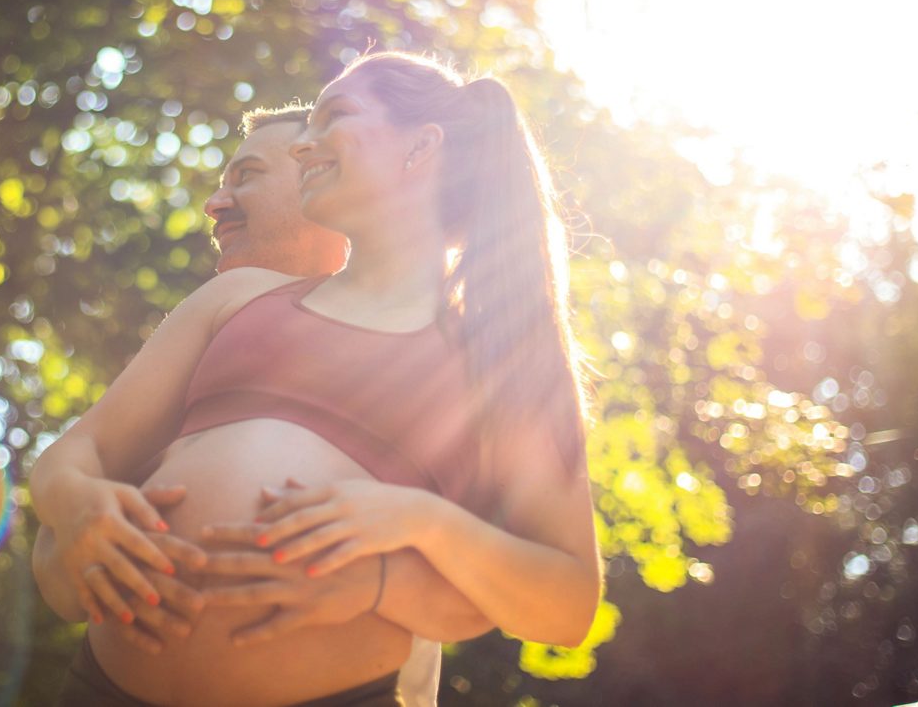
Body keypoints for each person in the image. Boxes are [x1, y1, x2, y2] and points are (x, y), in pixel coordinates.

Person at [30, 52, 601, 706]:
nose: (304, 145)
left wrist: (418, 525)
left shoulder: (500, 359)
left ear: (421, 146)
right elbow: (78, 454)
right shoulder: (236, 298)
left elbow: (568, 604)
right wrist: (76, 503)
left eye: (334, 117)